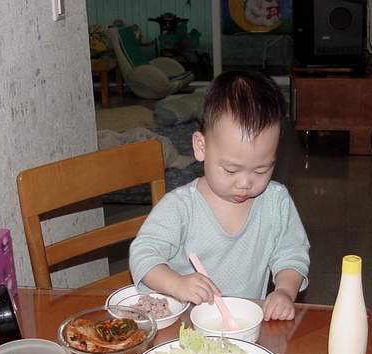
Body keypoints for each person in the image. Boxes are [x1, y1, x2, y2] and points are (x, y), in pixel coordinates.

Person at [129, 70, 310, 321]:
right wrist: (178, 284)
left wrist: (284, 291)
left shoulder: (276, 202)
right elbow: (143, 254)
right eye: (231, 169)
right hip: (186, 327)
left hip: (243, 325)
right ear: (201, 147)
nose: (245, 183)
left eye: (262, 169)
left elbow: (292, 253)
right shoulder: (181, 207)